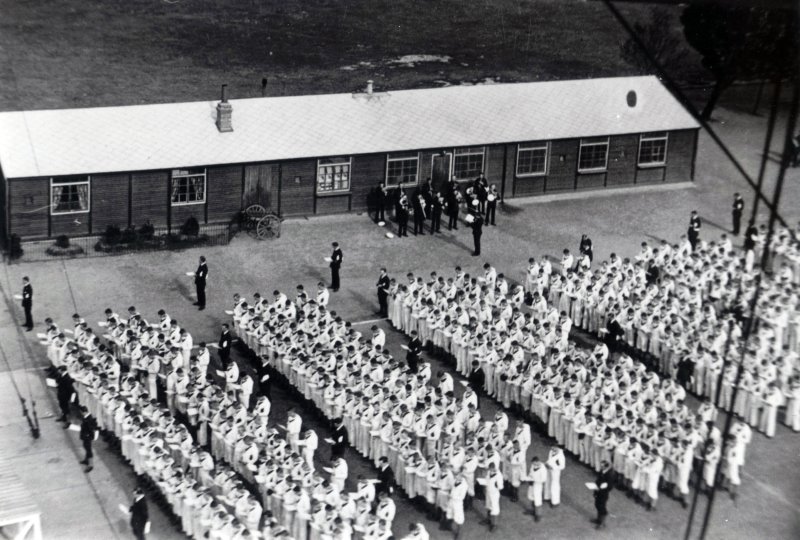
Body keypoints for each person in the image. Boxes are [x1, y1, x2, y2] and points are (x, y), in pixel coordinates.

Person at [592, 460, 614, 529]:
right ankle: (598, 519)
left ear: (606, 467)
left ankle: (602, 523)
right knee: (597, 504)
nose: (601, 467)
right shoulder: (602, 472)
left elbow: (610, 486)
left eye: (602, 466)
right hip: (598, 491)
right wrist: (595, 488)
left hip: (603, 494)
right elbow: (598, 480)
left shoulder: (610, 475)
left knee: (602, 507)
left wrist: (602, 488)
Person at [78, 405, 98, 472]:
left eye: (81, 412)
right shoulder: (87, 417)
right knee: (86, 447)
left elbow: (91, 429)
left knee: (88, 450)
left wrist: (88, 436)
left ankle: (90, 465)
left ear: (83, 412)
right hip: (85, 436)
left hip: (87, 437)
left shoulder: (89, 419)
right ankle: (86, 460)